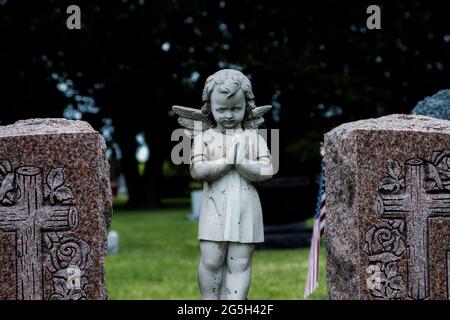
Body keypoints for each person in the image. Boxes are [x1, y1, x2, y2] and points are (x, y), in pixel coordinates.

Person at [174, 69, 273, 299]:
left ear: (247, 107)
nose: (228, 115)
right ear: (209, 107)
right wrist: (227, 161)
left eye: (236, 109)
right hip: (215, 206)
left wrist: (242, 165)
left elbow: (267, 169)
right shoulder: (204, 138)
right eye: (221, 109)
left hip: (246, 206)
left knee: (240, 261)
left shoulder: (253, 138)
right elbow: (197, 170)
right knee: (211, 260)